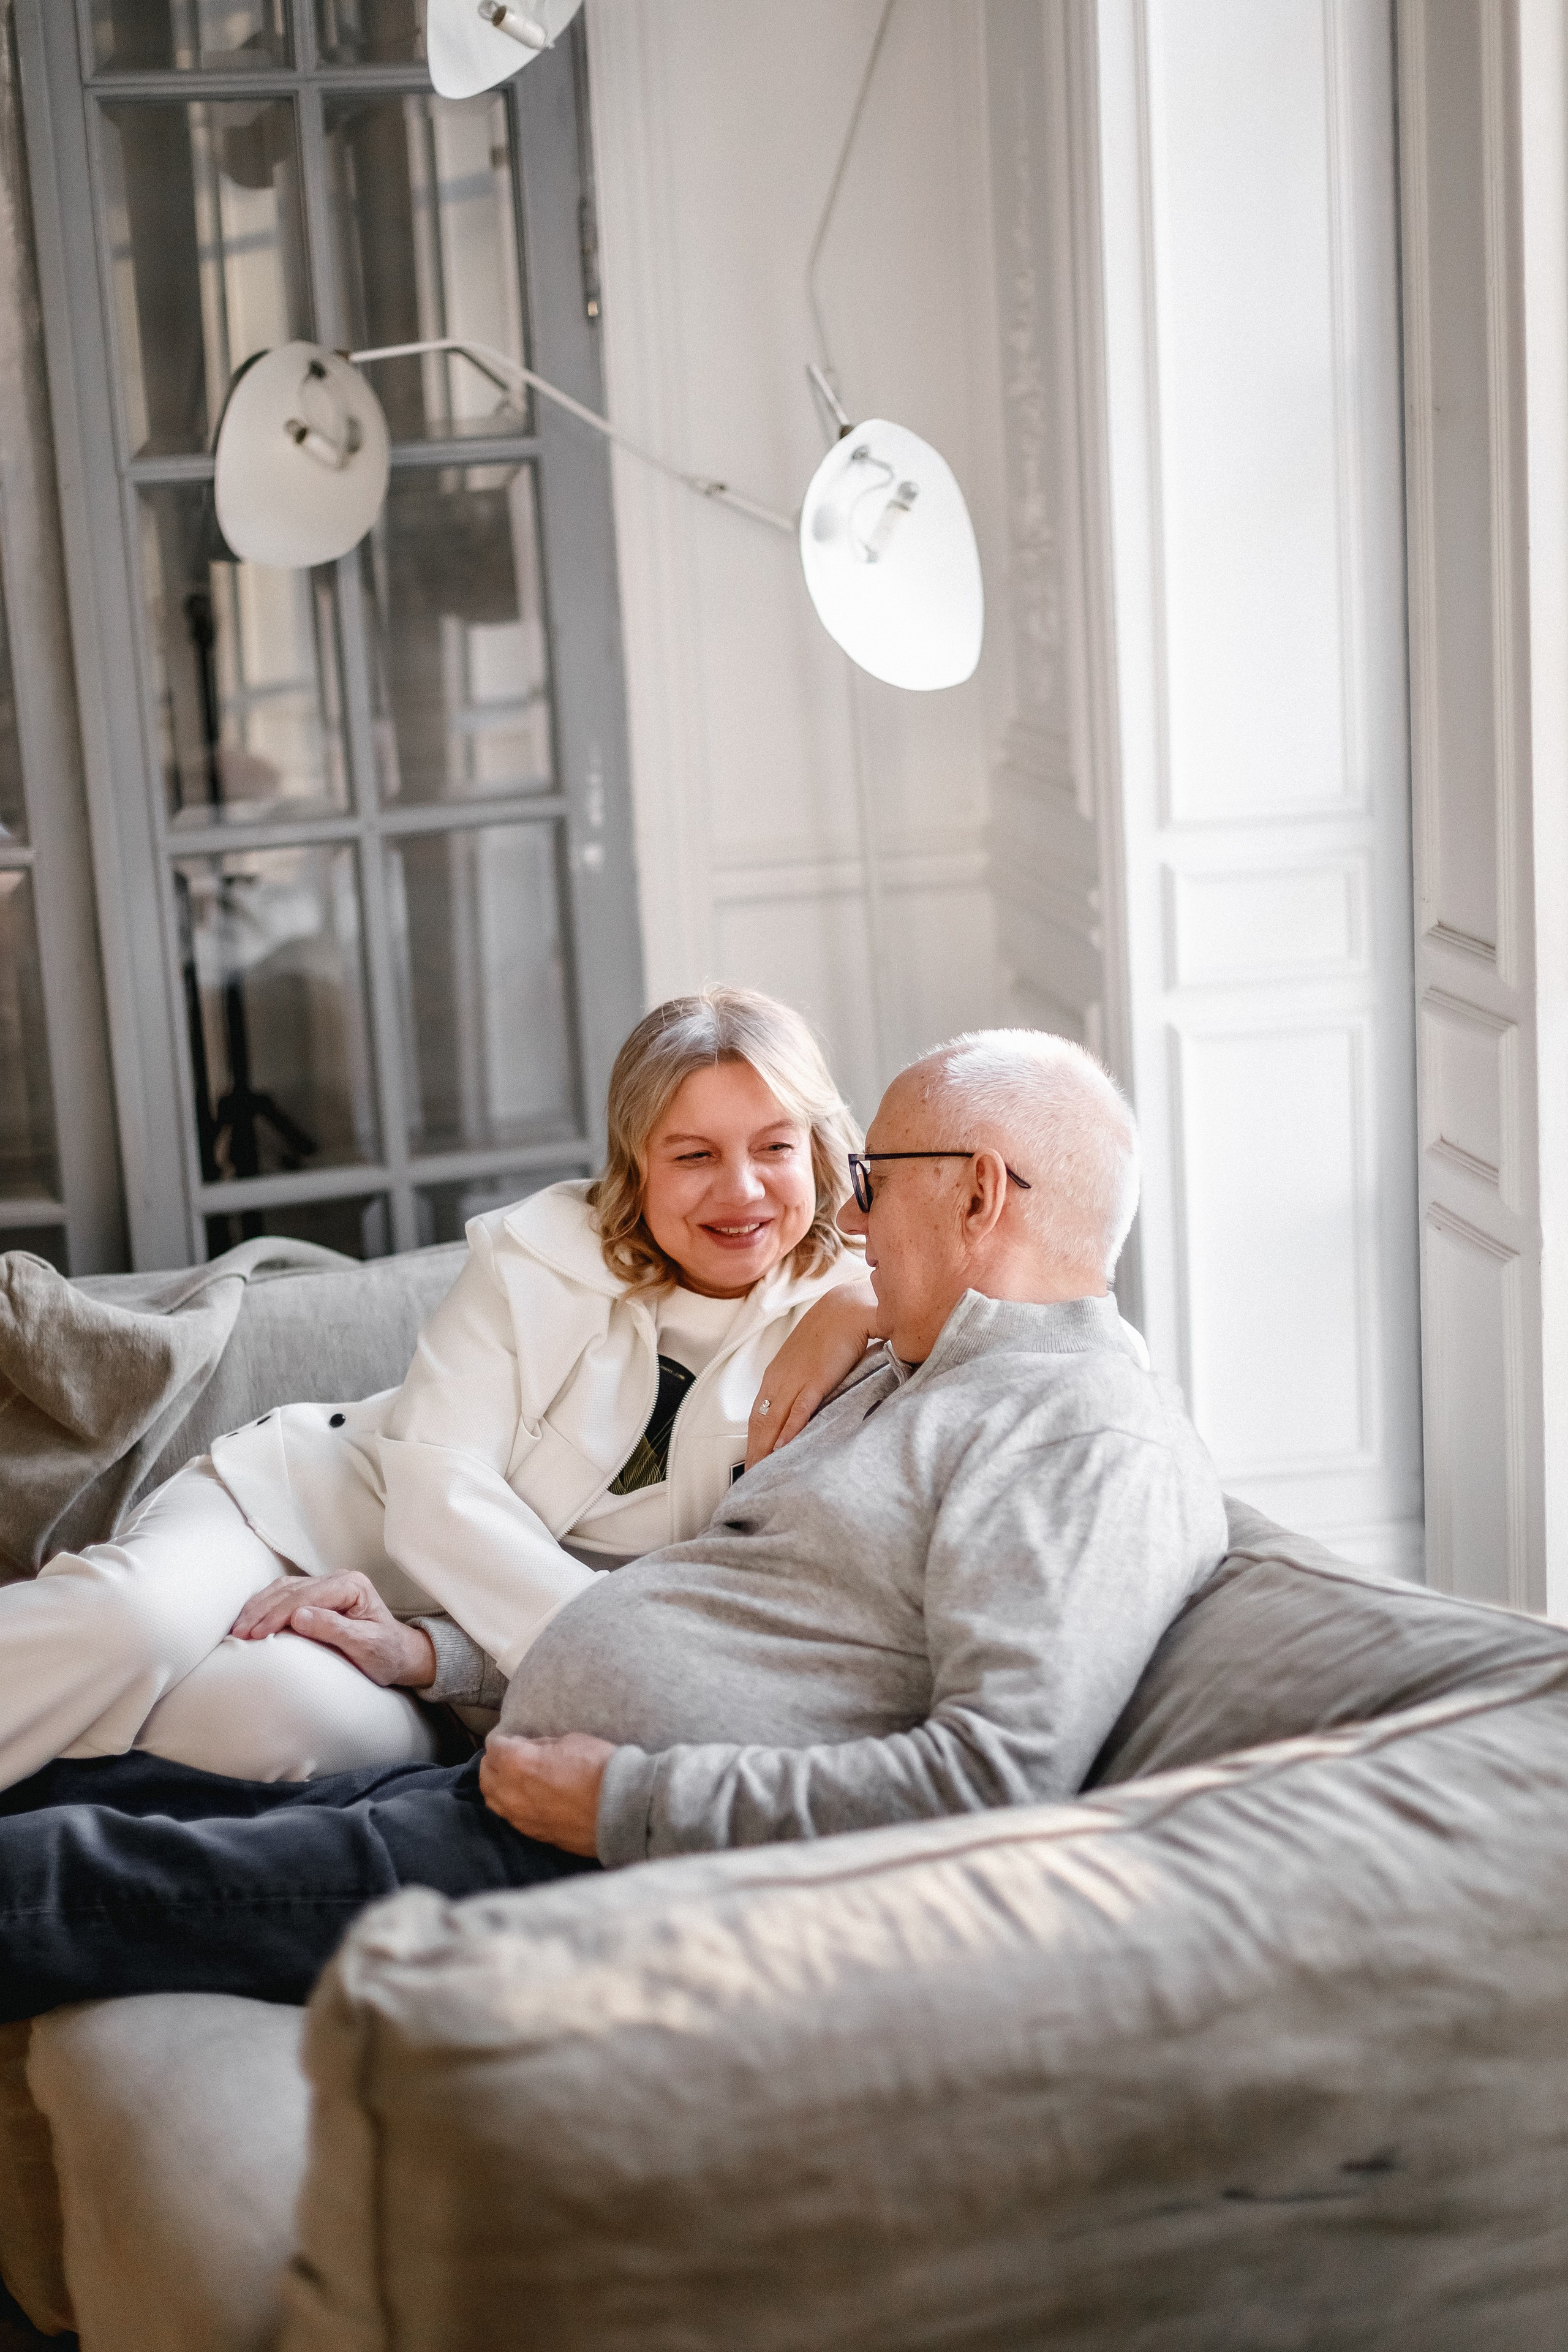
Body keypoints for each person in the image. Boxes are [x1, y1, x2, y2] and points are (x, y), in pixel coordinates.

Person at [0, 1030, 1227, 2024]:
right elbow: (712, 1612)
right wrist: (444, 1657)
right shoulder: (911, 1373)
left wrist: (626, 1803)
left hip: (596, 1862)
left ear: (978, 1195)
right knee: (91, 1797)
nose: (853, 1224)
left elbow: (996, 1784)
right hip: (507, 1776)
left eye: (873, 1184)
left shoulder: (1080, 1435)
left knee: (54, 1882)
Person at [0, 988, 873, 1791]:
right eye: (694, 1154)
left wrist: (866, 1300)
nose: (741, 1189)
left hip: (456, 1678)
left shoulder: (855, 1328)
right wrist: (620, 1660)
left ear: (818, 1151)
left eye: (774, 1147)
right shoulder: (537, 1254)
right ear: (637, 1163)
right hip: (300, 1515)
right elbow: (433, 1489)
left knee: (259, 1717)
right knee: (133, 1625)